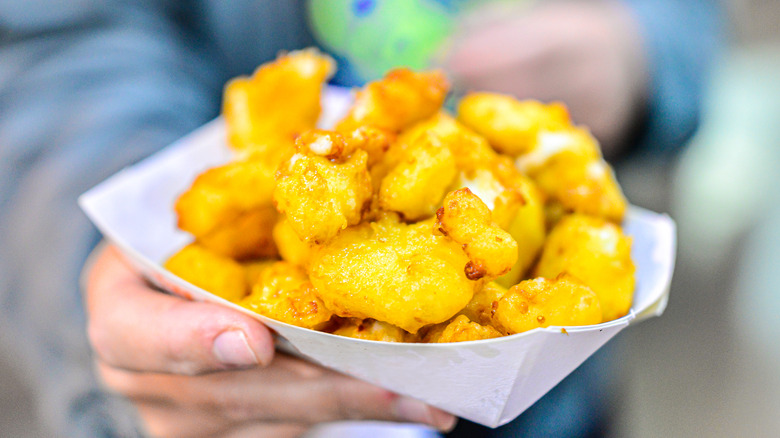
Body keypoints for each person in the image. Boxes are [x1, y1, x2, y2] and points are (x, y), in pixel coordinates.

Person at [0, 0, 721, 436]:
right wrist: (94, 275)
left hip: (556, 405)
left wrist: (641, 44)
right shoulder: (316, 197)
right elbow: (47, 57)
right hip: (259, 410)